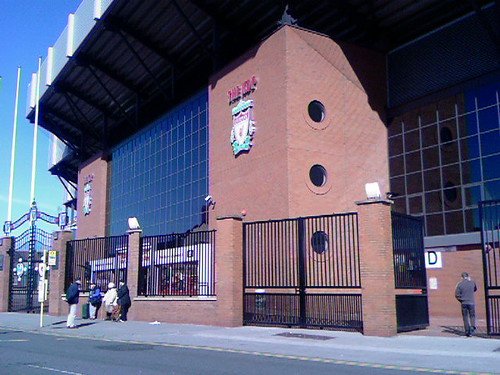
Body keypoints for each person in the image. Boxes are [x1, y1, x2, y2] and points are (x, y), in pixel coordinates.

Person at [455, 272, 477, 337]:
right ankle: (472, 327)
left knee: (465, 317)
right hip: (471, 302)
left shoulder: (459, 284)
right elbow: (475, 289)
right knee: (472, 316)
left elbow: (456, 295)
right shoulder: (472, 283)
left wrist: (461, 300)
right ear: (468, 276)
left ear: (461, 277)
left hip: (464, 302)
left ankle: (467, 331)